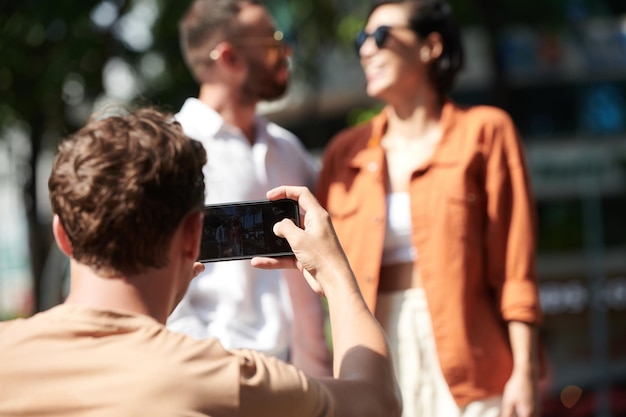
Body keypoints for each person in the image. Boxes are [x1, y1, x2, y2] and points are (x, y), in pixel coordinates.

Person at [0, 108, 401, 417]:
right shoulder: (225, 378)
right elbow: (376, 401)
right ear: (193, 236)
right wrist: (334, 272)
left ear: (62, 235)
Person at [316, 1, 543, 416]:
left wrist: (525, 370)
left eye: (381, 36)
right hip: (370, 352)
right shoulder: (344, 154)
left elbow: (516, 267)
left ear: (430, 47)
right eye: (361, 40)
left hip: (470, 357)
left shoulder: (486, 132)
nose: (367, 50)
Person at [166, 0, 330, 377]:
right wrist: (217, 372)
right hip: (225, 386)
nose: (285, 50)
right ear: (229, 57)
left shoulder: (288, 148)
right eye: (273, 41)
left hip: (310, 382)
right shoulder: (170, 151)